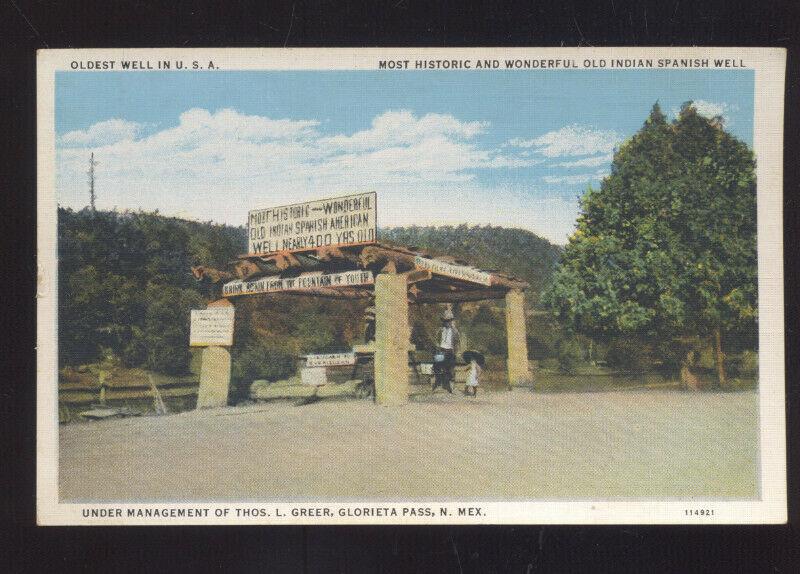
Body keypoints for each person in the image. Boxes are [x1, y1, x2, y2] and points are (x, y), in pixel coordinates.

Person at [433, 308, 460, 393]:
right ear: (443, 321)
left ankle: (449, 386)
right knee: (437, 366)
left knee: (449, 368)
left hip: (450, 351)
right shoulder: (440, 330)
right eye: (445, 321)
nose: (447, 322)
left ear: (451, 321)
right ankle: (438, 384)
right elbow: (436, 339)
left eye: (448, 321)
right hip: (441, 350)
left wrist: (456, 352)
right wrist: (437, 345)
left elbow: (457, 342)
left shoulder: (455, 331)